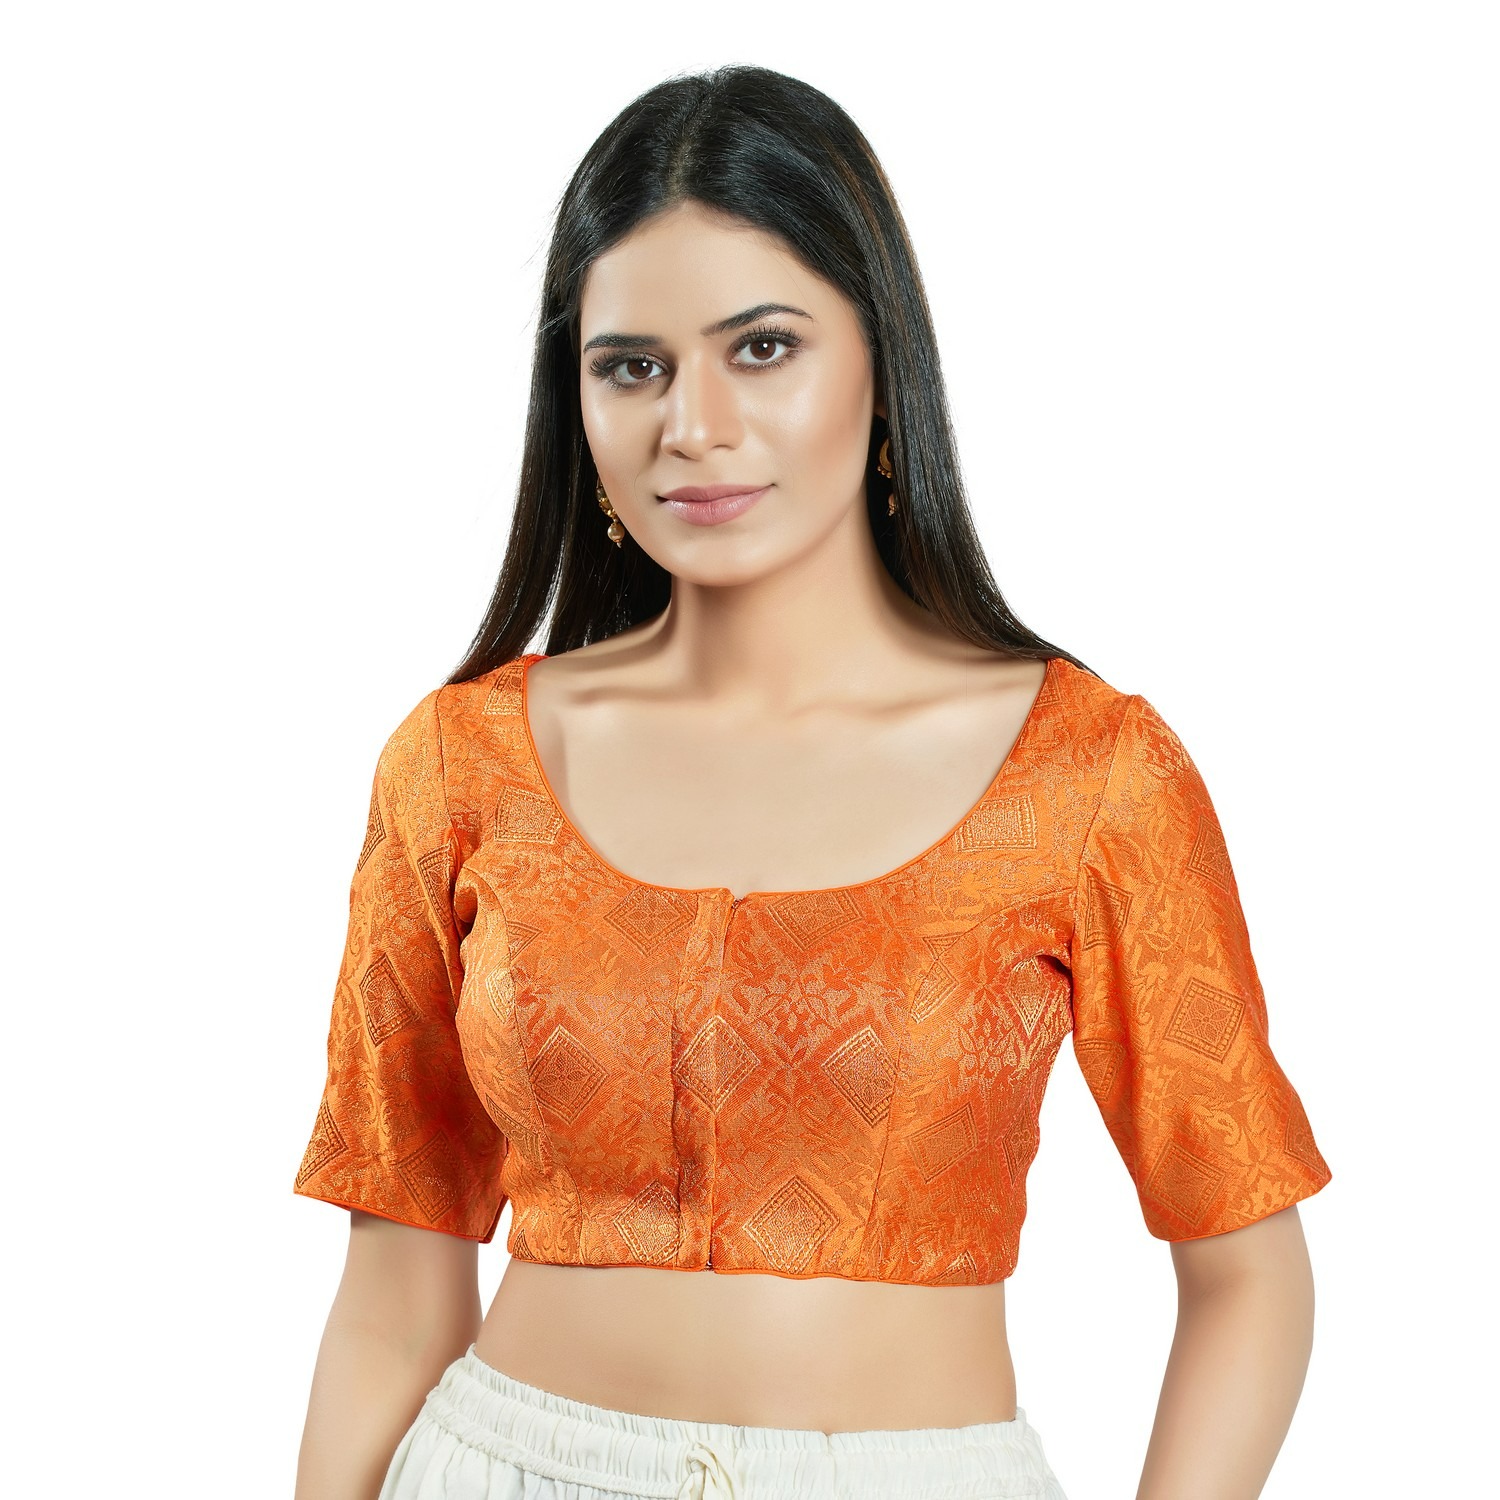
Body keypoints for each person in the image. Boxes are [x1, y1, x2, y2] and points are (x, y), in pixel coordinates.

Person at [292, 64, 1332, 1500]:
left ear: (882, 361)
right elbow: (395, 1290)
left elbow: (1249, 1276)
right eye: (632, 366)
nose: (693, 425)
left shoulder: (1090, 774)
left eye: (763, 348)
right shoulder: (460, 764)